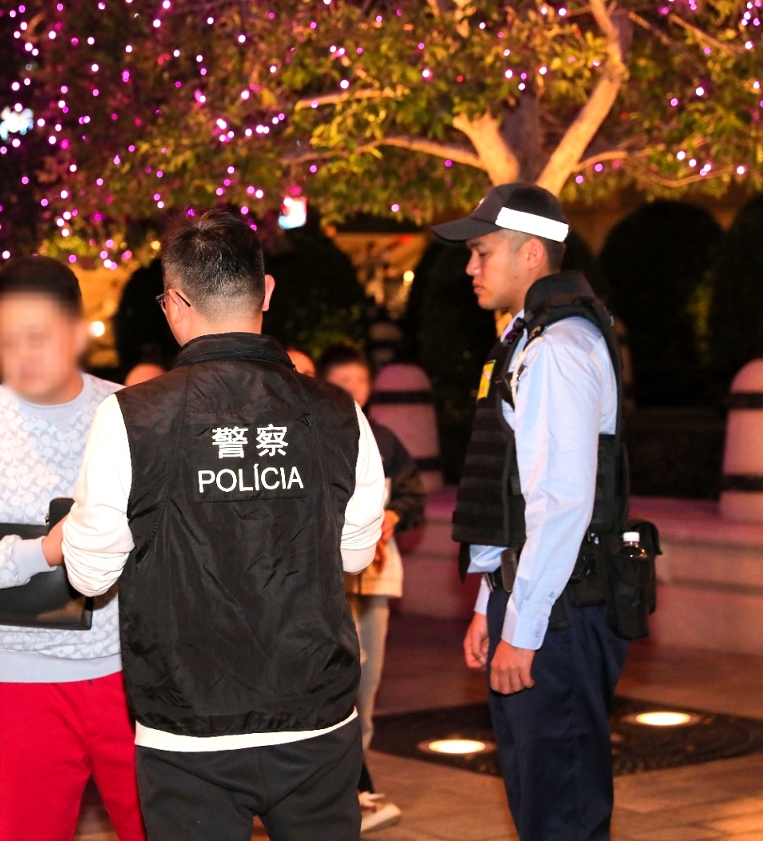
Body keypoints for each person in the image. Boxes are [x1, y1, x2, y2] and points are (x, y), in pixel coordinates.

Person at [60, 209, 387, 841]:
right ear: (266, 292)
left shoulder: (131, 416)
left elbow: (90, 573)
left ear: (176, 302)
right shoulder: (338, 411)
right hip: (313, 714)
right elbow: (352, 556)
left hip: (187, 722)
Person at [0, 257, 146, 841]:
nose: (23, 353)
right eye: (8, 336)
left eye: (39, 335)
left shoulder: (130, 414)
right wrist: (39, 552)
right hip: (22, 687)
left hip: (134, 678)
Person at [433, 182, 629, 839]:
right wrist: (489, 602)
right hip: (539, 601)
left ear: (532, 254)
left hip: (560, 612)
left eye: (482, 252)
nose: (470, 267)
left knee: (559, 811)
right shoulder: (529, 341)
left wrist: (522, 627)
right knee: (538, 800)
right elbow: (509, 488)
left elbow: (561, 502)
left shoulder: (557, 348)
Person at [317, 344, 426, 833]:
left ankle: (357, 785)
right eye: (342, 382)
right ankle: (344, 790)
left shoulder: (384, 439)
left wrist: (394, 515)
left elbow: (413, 493)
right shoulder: (314, 435)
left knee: (367, 685)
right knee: (336, 685)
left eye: (359, 381)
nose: (353, 390)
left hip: (376, 579)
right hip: (331, 583)